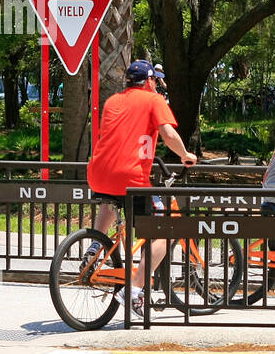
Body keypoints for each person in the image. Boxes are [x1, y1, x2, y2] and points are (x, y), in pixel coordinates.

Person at [84, 60, 197, 312]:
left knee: (111, 199)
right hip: (130, 177)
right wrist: (185, 155)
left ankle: (95, 245)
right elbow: (167, 134)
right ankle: (134, 289)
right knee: (169, 229)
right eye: (155, 80)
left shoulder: (112, 101)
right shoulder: (153, 100)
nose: (156, 84)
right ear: (148, 81)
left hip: (98, 173)